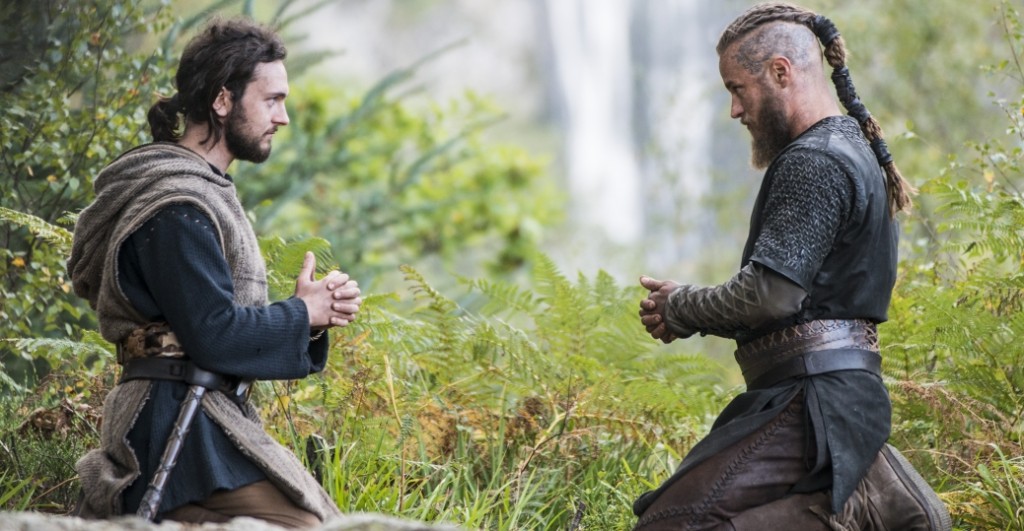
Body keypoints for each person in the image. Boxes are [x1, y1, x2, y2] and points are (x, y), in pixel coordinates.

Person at [633, 3, 951, 530]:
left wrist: (681, 306)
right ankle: (870, 496)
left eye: (737, 89)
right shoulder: (849, 148)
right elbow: (798, 298)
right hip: (827, 399)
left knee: (672, 524)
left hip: (811, 400)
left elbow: (771, 295)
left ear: (781, 72)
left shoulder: (816, 160)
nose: (734, 110)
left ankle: (861, 506)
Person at [68, 17, 359, 527]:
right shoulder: (176, 205)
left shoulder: (197, 193)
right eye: (272, 100)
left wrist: (311, 318)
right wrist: (300, 313)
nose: (283, 117)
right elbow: (213, 334)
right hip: (173, 426)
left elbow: (207, 327)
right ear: (223, 100)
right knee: (306, 526)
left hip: (199, 416)